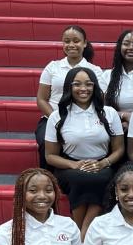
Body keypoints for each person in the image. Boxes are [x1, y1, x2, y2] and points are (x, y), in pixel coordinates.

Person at [44, 67, 124, 238]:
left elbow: (119, 149)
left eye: (88, 84)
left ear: (95, 86)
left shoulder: (108, 113)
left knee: (103, 179)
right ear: (69, 87)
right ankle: (83, 233)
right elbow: (50, 156)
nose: (83, 89)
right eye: (77, 84)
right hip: (69, 166)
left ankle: (82, 233)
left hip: (103, 164)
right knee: (79, 179)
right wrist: (74, 165)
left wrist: (103, 163)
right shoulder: (57, 116)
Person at [35, 25, 103, 169]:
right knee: (44, 143)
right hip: (53, 118)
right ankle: (48, 182)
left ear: (85, 43)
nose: (71, 45)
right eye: (67, 41)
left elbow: (99, 99)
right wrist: (56, 118)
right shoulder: (52, 67)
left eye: (76, 41)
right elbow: (41, 99)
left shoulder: (95, 70)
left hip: (86, 119)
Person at [100, 30, 133, 130]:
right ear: (119, 47)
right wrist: (123, 116)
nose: (131, 48)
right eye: (126, 44)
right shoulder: (107, 75)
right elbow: (100, 108)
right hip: (115, 128)